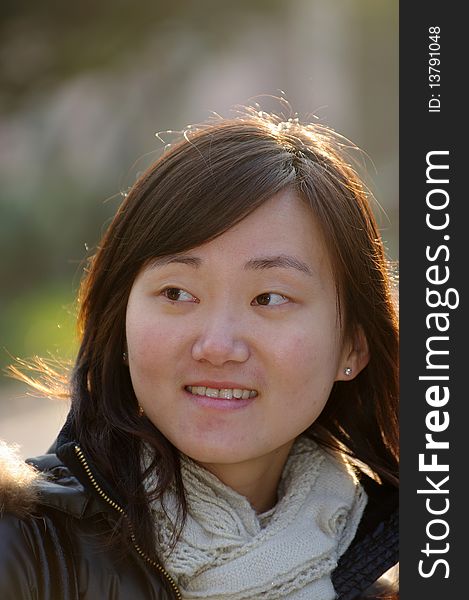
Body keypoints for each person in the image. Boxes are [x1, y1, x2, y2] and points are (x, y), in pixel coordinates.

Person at [0, 107, 398, 599]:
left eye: (270, 298)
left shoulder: (380, 575)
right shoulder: (22, 552)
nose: (217, 346)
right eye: (177, 293)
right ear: (120, 321)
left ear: (352, 346)